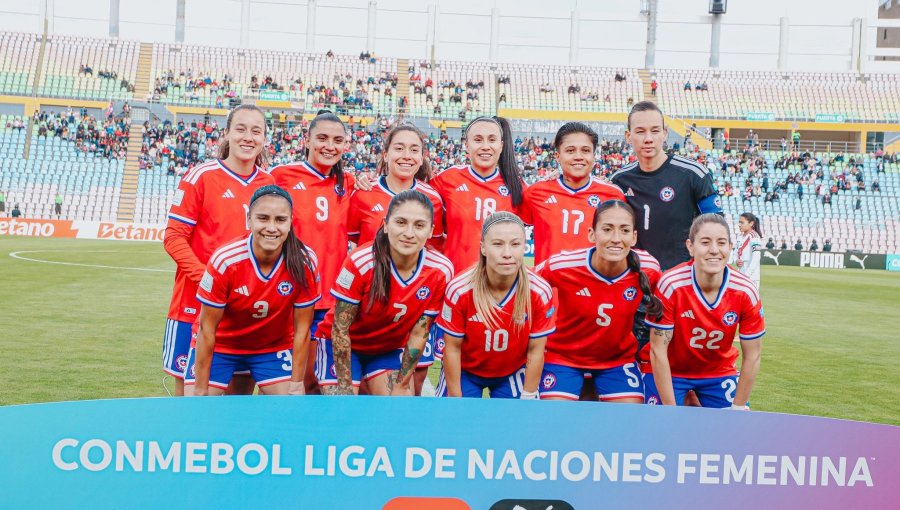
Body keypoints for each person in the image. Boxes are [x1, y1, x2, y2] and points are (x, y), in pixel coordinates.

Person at [163, 104, 275, 396]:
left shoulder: (269, 183)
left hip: (246, 313)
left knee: (238, 403)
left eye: (256, 130)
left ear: (265, 138)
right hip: (194, 306)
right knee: (190, 404)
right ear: (226, 134)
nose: (248, 137)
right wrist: (209, 282)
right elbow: (174, 237)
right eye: (240, 129)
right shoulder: (201, 176)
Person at [185, 186, 321, 396]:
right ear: (249, 220)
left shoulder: (304, 261)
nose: (271, 227)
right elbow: (206, 330)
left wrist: (296, 385)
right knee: (199, 415)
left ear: (290, 222)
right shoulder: (226, 261)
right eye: (263, 218)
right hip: (222, 345)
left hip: (271, 347)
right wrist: (200, 391)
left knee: (290, 408)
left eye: (280, 220)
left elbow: (303, 330)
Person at [315, 190, 453, 396]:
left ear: (431, 230)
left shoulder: (440, 270)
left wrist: (401, 385)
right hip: (342, 344)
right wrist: (345, 394)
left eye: (419, 225)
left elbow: (418, 333)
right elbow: (340, 330)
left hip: (388, 348)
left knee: (398, 406)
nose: (409, 233)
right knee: (342, 411)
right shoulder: (361, 262)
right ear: (386, 224)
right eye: (401, 222)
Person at [345, 122, 444, 394]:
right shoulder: (363, 193)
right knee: (362, 389)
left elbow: (433, 250)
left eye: (414, 149)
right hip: (370, 303)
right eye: (399, 148)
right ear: (385, 154)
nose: (406, 155)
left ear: (422, 157)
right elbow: (352, 241)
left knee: (411, 383)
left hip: (413, 304)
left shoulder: (433, 198)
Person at [535, 201, 661, 403]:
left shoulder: (648, 268)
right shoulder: (563, 265)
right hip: (563, 358)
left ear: (634, 237)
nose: (616, 239)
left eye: (625, 230)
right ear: (592, 234)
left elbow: (668, 306)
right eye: (607, 229)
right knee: (555, 418)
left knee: (628, 421)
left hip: (617, 361)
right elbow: (526, 284)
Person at [271, 110, 356, 394]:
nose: (329, 146)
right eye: (322, 138)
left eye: (337, 140)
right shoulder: (281, 176)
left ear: (346, 145)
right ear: (307, 140)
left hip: (335, 300)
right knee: (293, 382)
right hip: (292, 296)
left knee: (324, 382)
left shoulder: (351, 184)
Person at [643, 214, 765, 408]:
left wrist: (738, 408)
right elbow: (658, 350)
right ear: (691, 247)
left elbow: (753, 355)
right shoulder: (671, 284)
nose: (714, 250)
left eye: (721, 243)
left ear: (730, 248)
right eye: (705, 242)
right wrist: (669, 410)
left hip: (719, 373)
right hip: (672, 371)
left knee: (732, 431)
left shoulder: (745, 290)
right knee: (663, 429)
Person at [436, 212, 555, 399]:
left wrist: (528, 395)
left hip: (513, 370)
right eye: (497, 244)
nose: (507, 253)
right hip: (466, 370)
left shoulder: (539, 291)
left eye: (515, 244)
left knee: (518, 425)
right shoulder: (460, 289)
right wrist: (455, 398)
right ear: (483, 247)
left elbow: (536, 349)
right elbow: (452, 348)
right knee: (454, 424)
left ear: (524, 246)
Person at [611, 101, 721, 272]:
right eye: (640, 132)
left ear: (665, 133)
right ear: (628, 136)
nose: (648, 139)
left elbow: (717, 226)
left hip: (681, 280)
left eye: (655, 131)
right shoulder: (618, 180)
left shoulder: (694, 174)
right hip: (634, 279)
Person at [430, 116, 526, 272]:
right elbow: (414, 195)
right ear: (467, 145)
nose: (485, 146)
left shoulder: (516, 185)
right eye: (478, 140)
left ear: (501, 146)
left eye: (492, 140)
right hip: (457, 281)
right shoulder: (447, 179)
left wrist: (556, 178)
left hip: (500, 283)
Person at [521, 122, 625, 265]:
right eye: (570, 151)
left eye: (585, 150)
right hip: (548, 284)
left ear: (594, 156)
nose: (578, 156)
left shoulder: (613, 195)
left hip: (592, 284)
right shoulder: (536, 193)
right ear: (557, 156)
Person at [730, 212, 762, 289]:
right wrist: (736, 260)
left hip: (751, 277)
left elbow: (756, 257)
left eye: (742, 222)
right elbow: (735, 253)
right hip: (741, 274)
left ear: (751, 223)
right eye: (739, 222)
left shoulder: (754, 237)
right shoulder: (740, 236)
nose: (739, 225)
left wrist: (747, 275)